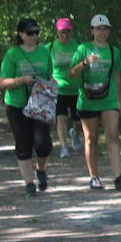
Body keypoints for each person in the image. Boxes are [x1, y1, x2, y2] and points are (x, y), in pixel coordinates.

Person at [70, 13, 121, 190]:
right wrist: (85, 63)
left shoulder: (113, 51)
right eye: (99, 28)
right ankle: (94, 176)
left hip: (108, 99)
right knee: (91, 138)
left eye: (105, 28)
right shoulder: (83, 49)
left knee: (112, 134)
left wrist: (119, 98)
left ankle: (118, 176)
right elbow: (72, 73)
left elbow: (116, 75)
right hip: (87, 99)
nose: (102, 32)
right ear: (92, 30)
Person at [1, 18, 54, 196]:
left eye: (36, 32)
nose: (33, 36)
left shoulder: (44, 52)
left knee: (43, 143)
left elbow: (49, 75)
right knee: (23, 143)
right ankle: (29, 183)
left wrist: (52, 84)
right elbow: (2, 83)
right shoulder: (12, 54)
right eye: (30, 33)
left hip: (39, 104)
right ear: (21, 34)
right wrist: (21, 80)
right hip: (17, 104)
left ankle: (41, 169)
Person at [47, 17, 82, 158]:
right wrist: (50, 79)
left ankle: (75, 133)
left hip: (76, 88)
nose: (65, 35)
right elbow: (44, 66)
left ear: (71, 32)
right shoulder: (50, 47)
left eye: (67, 32)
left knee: (78, 119)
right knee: (60, 118)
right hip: (59, 89)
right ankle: (64, 146)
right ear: (57, 33)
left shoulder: (78, 46)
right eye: (62, 32)